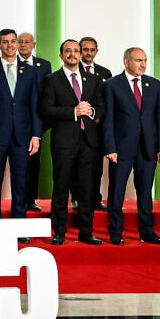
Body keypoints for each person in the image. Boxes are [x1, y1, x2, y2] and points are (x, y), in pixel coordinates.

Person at [38, 39, 105, 245]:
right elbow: (46, 109)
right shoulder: (52, 80)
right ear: (61, 55)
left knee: (87, 189)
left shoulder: (93, 79)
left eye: (76, 50)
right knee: (61, 188)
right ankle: (59, 232)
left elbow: (101, 106)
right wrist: (73, 112)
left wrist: (91, 111)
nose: (73, 54)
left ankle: (86, 232)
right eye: (68, 51)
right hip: (64, 143)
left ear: (81, 54)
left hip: (88, 142)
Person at [102, 47, 160, 245]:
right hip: (121, 148)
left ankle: (147, 231)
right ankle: (116, 231)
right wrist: (110, 147)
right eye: (139, 60)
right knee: (117, 191)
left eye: (145, 60)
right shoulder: (112, 85)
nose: (143, 64)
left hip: (148, 148)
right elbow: (108, 119)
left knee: (145, 192)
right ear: (126, 62)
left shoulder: (153, 84)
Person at [0, 28, 42, 220]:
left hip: (23, 137)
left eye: (13, 41)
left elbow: (35, 106)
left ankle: (18, 223)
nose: (10, 45)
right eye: (5, 42)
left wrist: (36, 135)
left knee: (21, 183)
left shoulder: (30, 72)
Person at [17, 31, 51, 212]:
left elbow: (47, 94)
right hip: (16, 120)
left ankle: (30, 198)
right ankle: (19, 200)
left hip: (37, 121)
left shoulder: (44, 65)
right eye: (20, 41)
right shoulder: (10, 64)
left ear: (33, 44)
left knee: (34, 162)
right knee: (18, 163)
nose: (23, 45)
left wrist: (45, 122)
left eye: (27, 42)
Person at [78, 36, 112, 208]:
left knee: (96, 166)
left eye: (92, 50)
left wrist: (98, 117)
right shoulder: (71, 69)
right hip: (76, 126)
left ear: (97, 51)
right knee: (76, 165)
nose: (89, 53)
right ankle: (77, 199)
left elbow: (107, 101)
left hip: (97, 128)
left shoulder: (105, 73)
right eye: (85, 49)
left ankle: (95, 198)